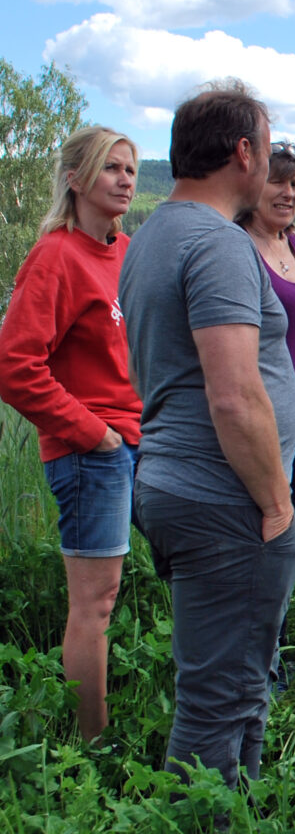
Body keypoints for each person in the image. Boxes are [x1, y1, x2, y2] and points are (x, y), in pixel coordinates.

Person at [119, 80, 295, 786]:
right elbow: (233, 397)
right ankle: (197, 813)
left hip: (174, 482)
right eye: (266, 144)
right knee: (215, 702)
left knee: (241, 682)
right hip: (224, 499)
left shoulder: (152, 235)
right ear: (243, 152)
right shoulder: (217, 243)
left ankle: (242, 806)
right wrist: (277, 504)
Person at [0, 126, 142, 743]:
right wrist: (94, 434)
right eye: (111, 168)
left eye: (131, 169)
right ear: (77, 179)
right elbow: (14, 366)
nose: (125, 179)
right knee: (95, 605)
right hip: (92, 456)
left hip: (140, 442)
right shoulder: (56, 255)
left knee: (150, 583)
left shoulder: (128, 252)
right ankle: (93, 747)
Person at [238, 140, 295, 692]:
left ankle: (271, 652)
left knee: (287, 528)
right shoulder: (239, 247)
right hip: (263, 410)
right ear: (252, 185)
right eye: (277, 181)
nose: (288, 193)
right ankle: (254, 667)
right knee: (264, 532)